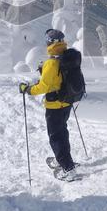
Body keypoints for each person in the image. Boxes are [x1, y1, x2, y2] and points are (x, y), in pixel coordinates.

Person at [20, 29, 81, 182]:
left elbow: (44, 87)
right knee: (62, 132)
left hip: (55, 105)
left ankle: (68, 168)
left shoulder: (51, 62)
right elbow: (57, 80)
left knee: (55, 136)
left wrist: (27, 89)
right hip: (67, 102)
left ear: (49, 42)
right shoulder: (68, 57)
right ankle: (61, 159)